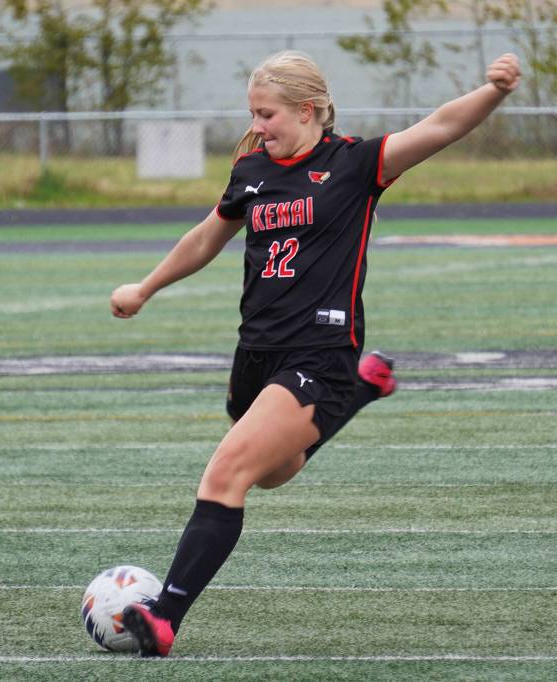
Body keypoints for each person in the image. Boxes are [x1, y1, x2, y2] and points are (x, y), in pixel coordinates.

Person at [109, 50, 521, 656]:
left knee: (226, 473)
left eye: (268, 113)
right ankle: (366, 387)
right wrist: (146, 286)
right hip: (256, 354)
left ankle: (165, 616)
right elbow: (205, 236)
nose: (257, 125)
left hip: (320, 352)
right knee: (273, 473)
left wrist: (493, 91)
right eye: (252, 112)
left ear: (308, 110)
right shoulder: (252, 170)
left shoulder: (354, 163)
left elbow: (441, 126)